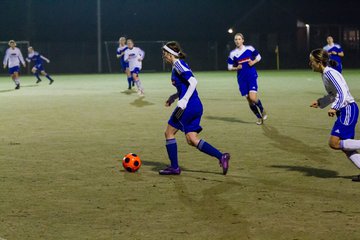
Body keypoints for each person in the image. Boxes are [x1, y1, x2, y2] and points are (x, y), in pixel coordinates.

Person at [159, 41, 230, 175]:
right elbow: (185, 86)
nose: (164, 56)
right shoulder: (178, 66)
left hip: (187, 107)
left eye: (164, 54)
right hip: (196, 105)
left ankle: (174, 167)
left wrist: (184, 100)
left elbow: (193, 81)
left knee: (168, 133)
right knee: (192, 139)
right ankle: (221, 156)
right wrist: (174, 96)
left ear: (170, 54)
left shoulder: (178, 64)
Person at [309, 48, 360, 182]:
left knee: (334, 143)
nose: (310, 64)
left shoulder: (330, 73)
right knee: (346, 148)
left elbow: (343, 92)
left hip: (348, 109)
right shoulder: (325, 74)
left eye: (312, 61)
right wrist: (321, 102)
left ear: (319, 62)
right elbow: (334, 94)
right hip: (345, 110)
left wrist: (335, 107)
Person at [227, 33, 267, 125]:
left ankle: (262, 110)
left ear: (243, 40)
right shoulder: (233, 54)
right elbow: (229, 67)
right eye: (236, 39)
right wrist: (236, 68)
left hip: (251, 76)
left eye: (239, 39)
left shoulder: (250, 48)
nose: (237, 41)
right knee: (249, 100)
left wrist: (253, 62)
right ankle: (259, 117)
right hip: (242, 79)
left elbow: (259, 57)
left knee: (253, 98)